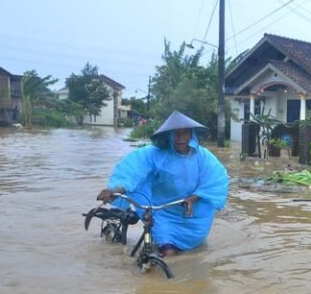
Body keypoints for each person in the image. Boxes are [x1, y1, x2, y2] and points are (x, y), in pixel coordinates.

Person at [97, 110, 229, 256]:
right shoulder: (154, 154)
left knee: (195, 249)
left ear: (191, 134)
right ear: (169, 135)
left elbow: (215, 181)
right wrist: (117, 190)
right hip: (161, 212)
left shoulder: (204, 157)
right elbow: (134, 171)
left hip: (192, 212)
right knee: (168, 252)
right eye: (175, 134)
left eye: (184, 133)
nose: (179, 138)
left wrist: (193, 198)